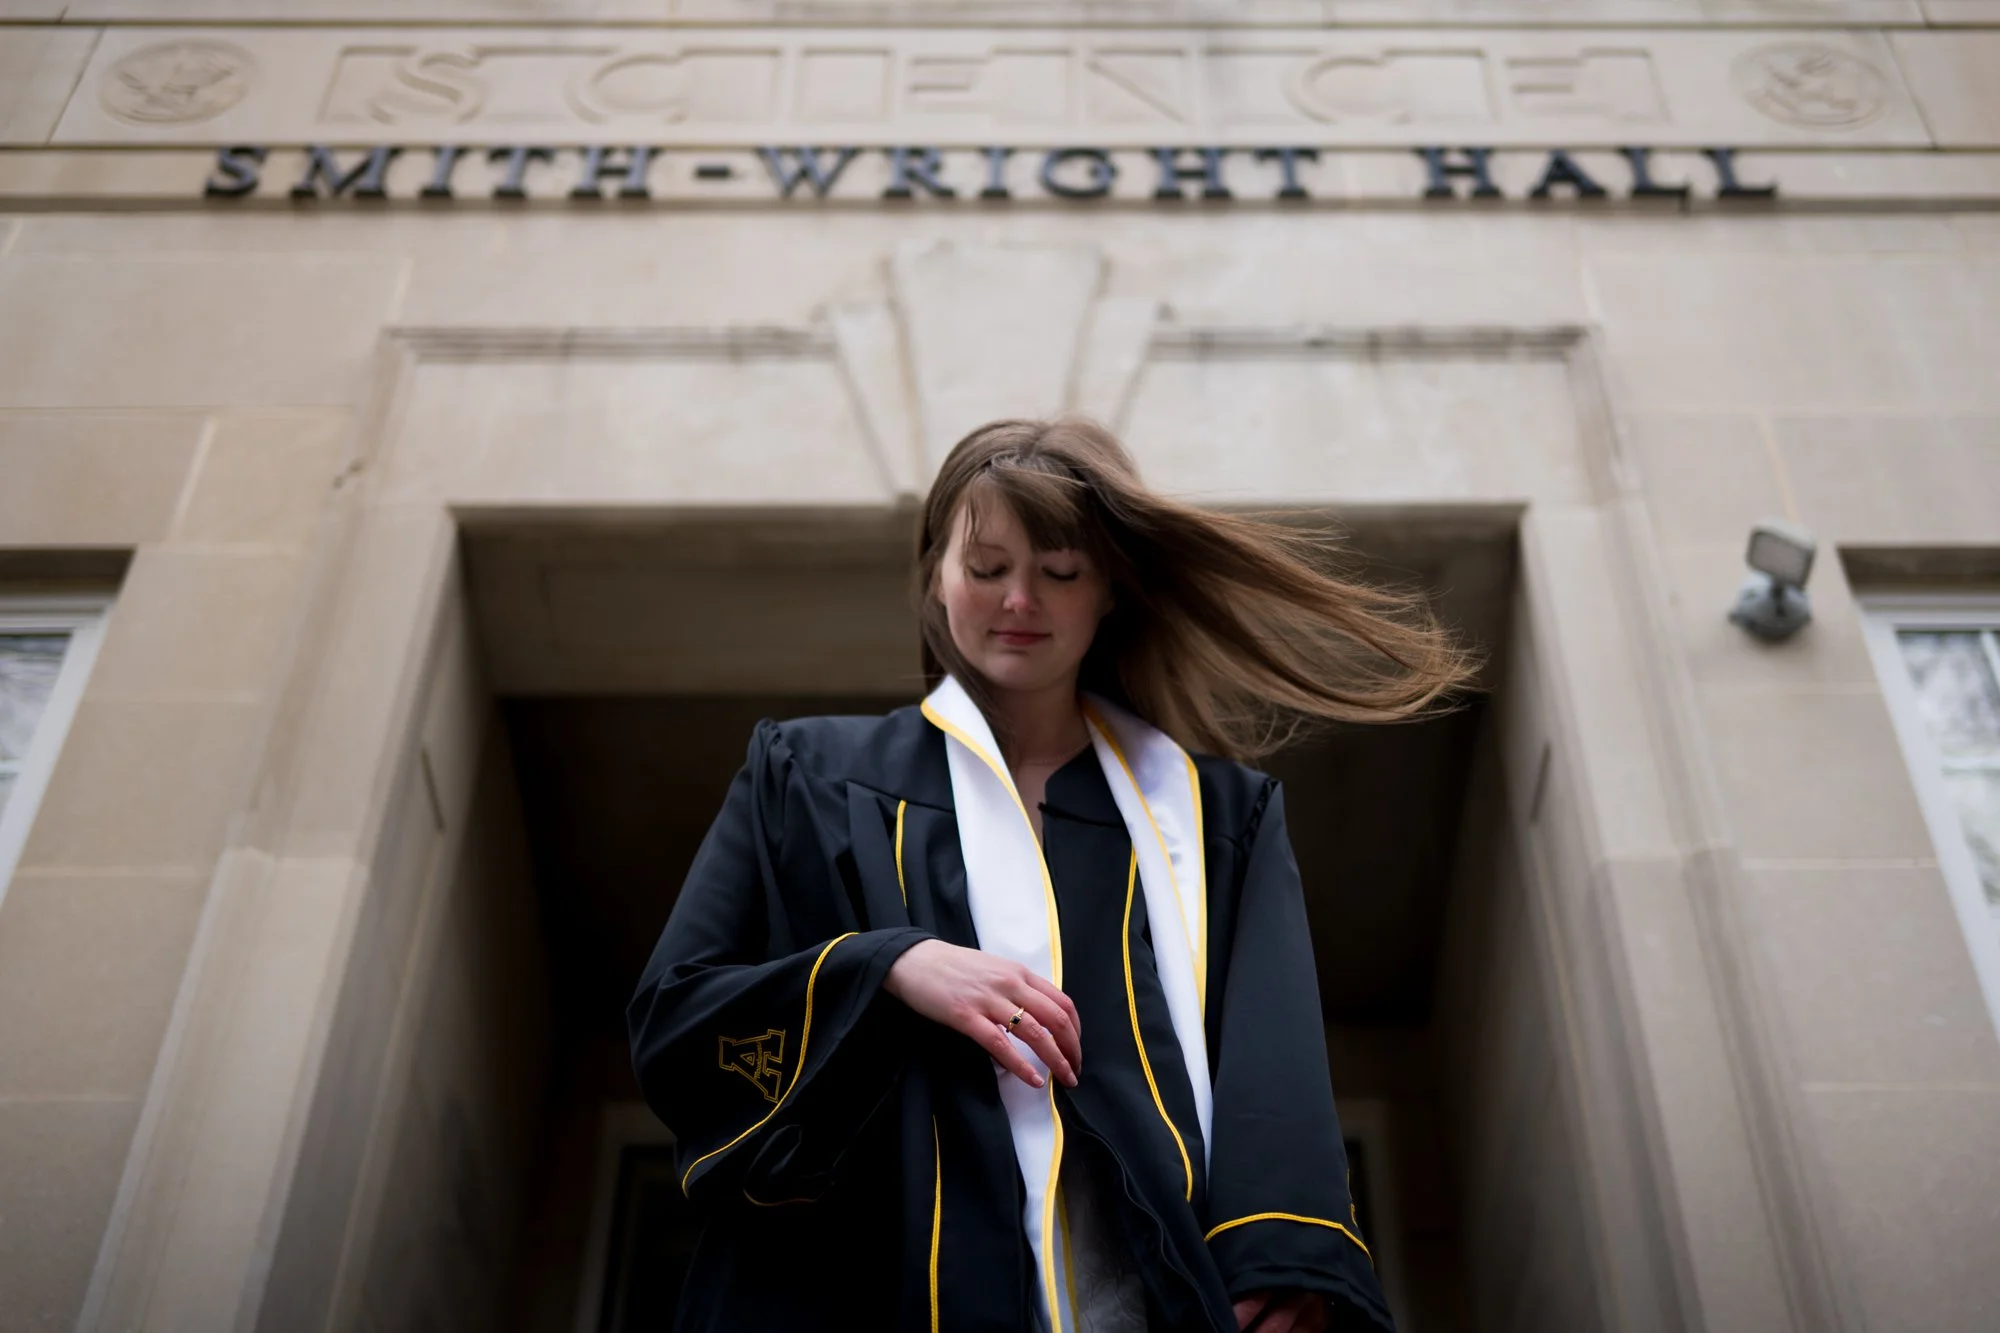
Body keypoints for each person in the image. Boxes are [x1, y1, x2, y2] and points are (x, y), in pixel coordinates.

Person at [627, 417, 1478, 1333]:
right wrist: (888, 968)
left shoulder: (1214, 819)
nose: (1019, 599)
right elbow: (676, 1016)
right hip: (863, 1282)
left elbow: (1273, 1065)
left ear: (1111, 587)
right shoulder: (808, 778)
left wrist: (1284, 1262)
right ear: (936, 575)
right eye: (986, 566)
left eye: (1061, 571)